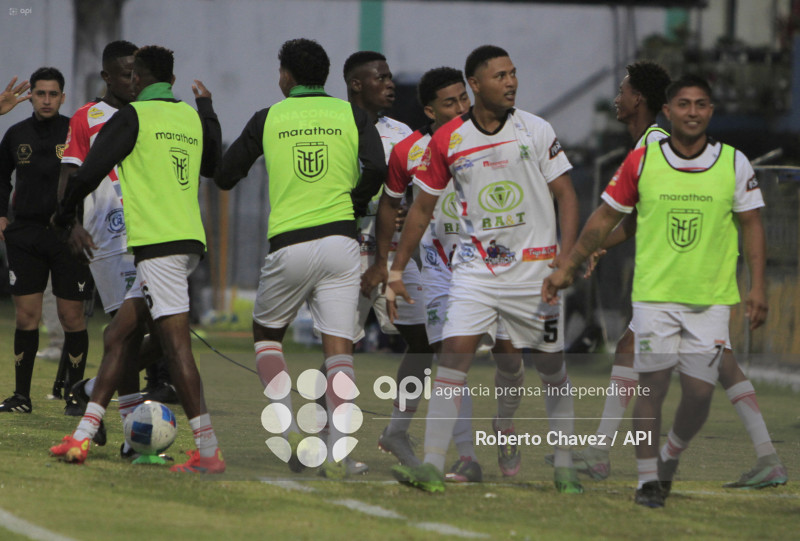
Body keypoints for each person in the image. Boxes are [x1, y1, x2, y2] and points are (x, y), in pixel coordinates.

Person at [542, 74, 775, 507]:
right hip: (655, 295)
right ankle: (645, 478)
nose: (617, 98)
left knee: (701, 394)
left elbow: (749, 226)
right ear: (668, 110)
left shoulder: (719, 159)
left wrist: (756, 288)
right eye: (683, 104)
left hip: (710, 298)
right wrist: (577, 257)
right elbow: (616, 216)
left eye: (700, 104)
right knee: (650, 384)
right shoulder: (645, 157)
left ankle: (666, 454)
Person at [387, 45, 582, 494]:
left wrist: (565, 259)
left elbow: (567, 196)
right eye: (500, 76)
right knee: (452, 357)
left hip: (536, 272)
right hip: (476, 271)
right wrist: (397, 268)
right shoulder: (449, 140)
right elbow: (420, 210)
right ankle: (434, 466)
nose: (511, 82)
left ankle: (566, 467)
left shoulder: (536, 129)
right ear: (475, 84)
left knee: (551, 367)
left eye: (513, 73)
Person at [214, 38, 386, 479]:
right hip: (342, 243)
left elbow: (227, 175)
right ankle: (341, 453)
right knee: (339, 347)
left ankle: (288, 430)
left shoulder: (268, 117)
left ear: (286, 76)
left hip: (290, 243)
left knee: (266, 333)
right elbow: (377, 170)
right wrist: (353, 197)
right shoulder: (352, 114)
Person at [50, 45, 225, 474]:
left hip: (159, 246)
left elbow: (90, 170)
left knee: (176, 348)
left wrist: (64, 213)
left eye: (134, 75)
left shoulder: (134, 116)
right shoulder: (187, 114)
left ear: (141, 77)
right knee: (117, 337)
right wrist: (208, 111)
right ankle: (83, 437)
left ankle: (208, 452)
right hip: (187, 243)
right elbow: (214, 165)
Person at [362, 66, 524, 481]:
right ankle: (466, 458)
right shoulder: (409, 152)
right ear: (430, 110)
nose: (460, 108)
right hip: (437, 270)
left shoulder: (498, 138)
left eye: (463, 99)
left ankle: (504, 425)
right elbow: (392, 205)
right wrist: (387, 261)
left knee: (510, 362)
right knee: (449, 360)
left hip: (494, 265)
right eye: (449, 102)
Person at [343, 50, 435, 465]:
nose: (390, 84)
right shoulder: (335, 126)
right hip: (346, 249)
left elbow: (419, 191)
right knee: (339, 344)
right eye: (380, 77)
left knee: (425, 342)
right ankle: (332, 443)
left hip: (395, 252)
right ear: (356, 84)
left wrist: (401, 209)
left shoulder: (404, 134)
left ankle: (396, 432)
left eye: (390, 77)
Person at [0, 67, 93, 414]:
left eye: (53, 94)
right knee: (27, 316)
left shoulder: (74, 131)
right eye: (40, 94)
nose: (46, 100)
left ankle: (74, 394)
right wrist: (1, 213)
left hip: (67, 234)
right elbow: (1, 177)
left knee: (72, 317)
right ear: (31, 97)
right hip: (24, 234)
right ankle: (21, 397)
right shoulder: (14, 134)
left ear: (63, 97)